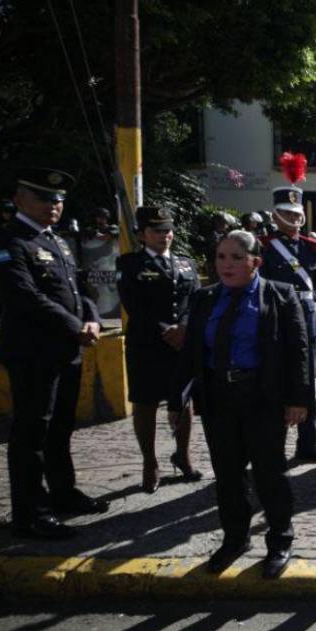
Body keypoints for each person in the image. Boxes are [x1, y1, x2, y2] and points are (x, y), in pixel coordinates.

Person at [170, 230, 309, 579]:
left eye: (235, 258)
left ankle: (280, 539)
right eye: (220, 257)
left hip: (261, 397)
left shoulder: (279, 295)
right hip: (219, 398)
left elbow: (299, 350)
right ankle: (235, 538)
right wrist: (177, 400)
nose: (226, 265)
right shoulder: (204, 298)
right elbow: (190, 354)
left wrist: (298, 399)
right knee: (228, 475)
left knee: (269, 473)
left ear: (255, 262)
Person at [0, 168, 109, 539]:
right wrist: (75, 325)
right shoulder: (6, 239)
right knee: (32, 433)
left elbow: (79, 289)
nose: (53, 205)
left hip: (66, 350)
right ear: (20, 199)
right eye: (44, 198)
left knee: (60, 430)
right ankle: (29, 513)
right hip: (32, 352)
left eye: (58, 200)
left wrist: (93, 319)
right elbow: (22, 295)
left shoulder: (58, 241)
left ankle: (63, 494)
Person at [116, 206, 202, 494]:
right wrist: (166, 329)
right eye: (157, 230)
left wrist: (185, 328)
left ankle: (183, 454)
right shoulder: (129, 264)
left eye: (168, 230)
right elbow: (134, 305)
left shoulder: (186, 263)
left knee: (183, 401)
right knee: (146, 403)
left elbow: (194, 302)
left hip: (181, 344)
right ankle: (150, 462)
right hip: (147, 345)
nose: (165, 236)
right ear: (142, 234)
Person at [258, 159, 316, 464]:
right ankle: (273, 445)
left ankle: (308, 443)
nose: (292, 218)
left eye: (296, 213)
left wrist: (302, 301)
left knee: (307, 381)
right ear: (275, 215)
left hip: (306, 318)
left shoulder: (313, 247)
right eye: (286, 213)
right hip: (274, 319)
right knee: (274, 380)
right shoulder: (263, 247)